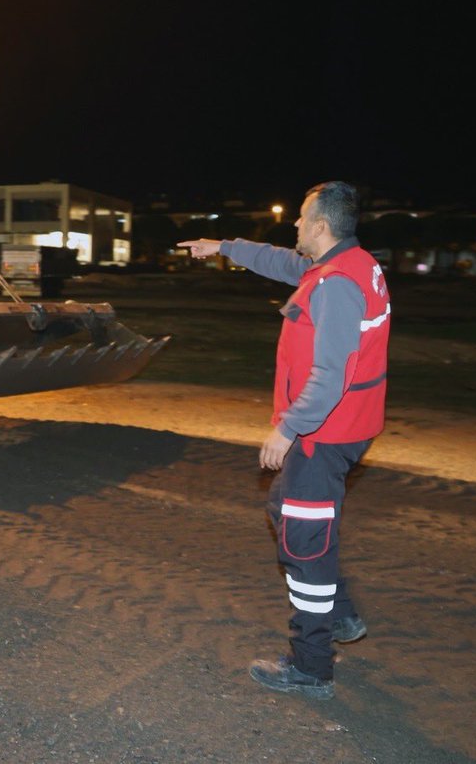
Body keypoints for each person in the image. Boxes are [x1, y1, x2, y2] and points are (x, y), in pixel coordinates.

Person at [178, 181, 390, 700]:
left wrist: (288, 428)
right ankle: (339, 616)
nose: (293, 226)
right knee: (284, 509)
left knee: (305, 546)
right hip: (345, 427)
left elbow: (332, 372)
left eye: (300, 218)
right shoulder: (347, 265)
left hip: (323, 433)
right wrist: (224, 248)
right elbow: (279, 262)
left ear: (320, 226)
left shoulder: (337, 282)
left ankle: (311, 667)